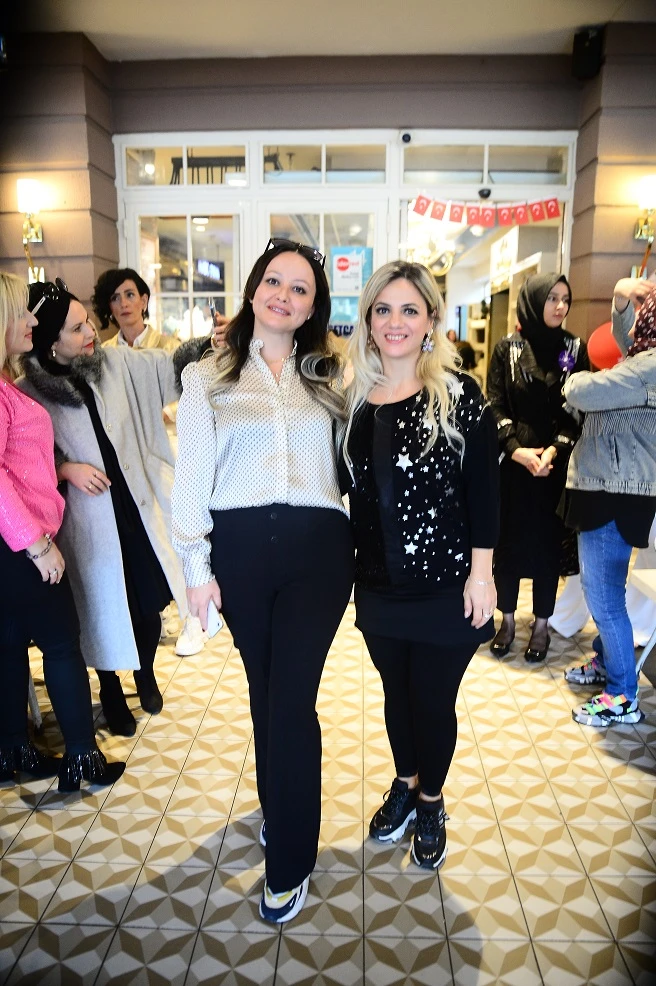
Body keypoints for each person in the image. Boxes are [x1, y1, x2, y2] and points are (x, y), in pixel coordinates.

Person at [172, 238, 354, 924]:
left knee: (292, 699)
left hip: (318, 552)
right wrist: (196, 569)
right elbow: (192, 477)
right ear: (253, 291)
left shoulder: (333, 377)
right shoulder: (207, 376)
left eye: (300, 288)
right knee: (264, 688)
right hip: (241, 551)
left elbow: (354, 468)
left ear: (312, 307)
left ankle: (291, 860)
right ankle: (279, 806)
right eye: (274, 281)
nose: (284, 295)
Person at [341, 261, 499, 870]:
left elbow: (484, 494)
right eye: (383, 309)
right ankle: (405, 784)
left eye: (410, 310)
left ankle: (431, 800)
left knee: (432, 701)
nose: (395, 322)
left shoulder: (459, 397)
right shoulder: (354, 402)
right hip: (378, 586)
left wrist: (482, 575)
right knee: (395, 695)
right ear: (368, 320)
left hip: (446, 587)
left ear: (431, 320)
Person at [19, 278, 198, 738]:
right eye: (77, 329)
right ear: (51, 341)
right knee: (99, 609)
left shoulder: (112, 362)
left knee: (148, 606)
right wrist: (65, 469)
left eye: (88, 322)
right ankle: (112, 692)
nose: (91, 333)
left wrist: (208, 347)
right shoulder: (29, 391)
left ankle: (145, 674)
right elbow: (20, 462)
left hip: (131, 505)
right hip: (86, 518)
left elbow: (164, 369)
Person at [0, 272, 124, 791]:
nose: (31, 320)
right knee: (61, 645)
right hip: (18, 547)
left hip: (14, 545)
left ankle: (14, 751)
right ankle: (80, 758)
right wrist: (37, 546)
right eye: (20, 313)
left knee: (9, 647)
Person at [93, 266, 208, 657]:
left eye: (130, 295)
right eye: (115, 298)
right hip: (127, 460)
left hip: (169, 452)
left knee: (175, 534)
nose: (123, 304)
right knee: (144, 538)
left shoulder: (168, 345)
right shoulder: (104, 353)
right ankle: (163, 610)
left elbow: (191, 394)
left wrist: (166, 413)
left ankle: (193, 616)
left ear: (144, 299)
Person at [562, 278, 656, 725]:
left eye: (642, 318)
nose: (633, 326)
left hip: (613, 489)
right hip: (611, 484)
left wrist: (576, 377)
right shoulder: (644, 360)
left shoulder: (647, 368)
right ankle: (607, 660)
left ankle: (622, 694)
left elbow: (580, 391)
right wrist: (620, 296)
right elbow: (625, 339)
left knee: (603, 597)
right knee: (607, 590)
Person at [486, 273, 588, 662]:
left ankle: (542, 625)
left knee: (547, 548)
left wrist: (553, 451)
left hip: (553, 469)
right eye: (552, 298)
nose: (561, 306)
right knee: (509, 546)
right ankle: (508, 621)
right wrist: (516, 449)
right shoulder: (506, 349)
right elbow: (494, 403)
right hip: (513, 468)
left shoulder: (574, 348)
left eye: (566, 299)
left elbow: (578, 409)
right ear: (533, 301)